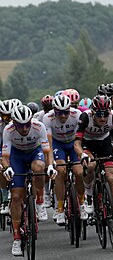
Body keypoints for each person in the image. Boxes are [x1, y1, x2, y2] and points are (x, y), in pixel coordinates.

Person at [2, 105, 57, 256]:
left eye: (27, 124)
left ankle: (39, 200)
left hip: (34, 152)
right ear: (14, 123)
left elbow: (47, 151)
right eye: (21, 125)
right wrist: (7, 168)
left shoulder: (39, 127)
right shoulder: (8, 130)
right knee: (16, 196)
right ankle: (17, 238)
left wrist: (51, 166)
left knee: (39, 168)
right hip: (17, 156)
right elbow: (5, 157)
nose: (25, 128)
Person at [74, 95, 113, 236]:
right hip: (88, 143)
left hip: (104, 143)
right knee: (90, 166)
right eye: (99, 114)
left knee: (111, 178)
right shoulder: (85, 117)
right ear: (93, 112)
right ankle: (89, 195)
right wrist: (82, 155)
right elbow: (77, 143)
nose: (103, 118)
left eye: (105, 114)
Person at [43, 95, 87, 225]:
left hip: (74, 144)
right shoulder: (48, 118)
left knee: (79, 172)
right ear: (54, 111)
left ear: (70, 109)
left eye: (65, 112)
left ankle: (82, 202)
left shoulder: (77, 114)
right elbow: (49, 145)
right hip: (58, 144)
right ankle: (60, 208)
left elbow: (82, 137)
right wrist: (51, 164)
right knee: (60, 171)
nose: (63, 116)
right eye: (59, 113)